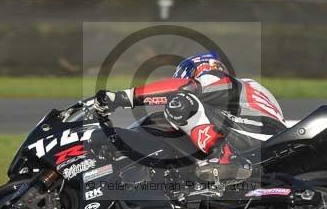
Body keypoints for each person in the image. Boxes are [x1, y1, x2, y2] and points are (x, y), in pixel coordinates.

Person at [94, 52, 287, 183]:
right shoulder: (243, 92)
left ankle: (225, 159)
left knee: (180, 101)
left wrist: (122, 97)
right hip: (266, 140)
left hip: (254, 135)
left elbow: (182, 88)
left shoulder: (216, 77)